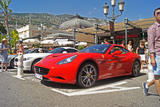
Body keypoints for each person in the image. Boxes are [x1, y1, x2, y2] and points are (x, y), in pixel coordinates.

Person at [143, 8, 160, 96]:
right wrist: (152, 57)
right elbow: (150, 44)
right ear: (155, 16)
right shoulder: (152, 28)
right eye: (158, 13)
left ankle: (147, 84)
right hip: (157, 55)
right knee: (157, 76)